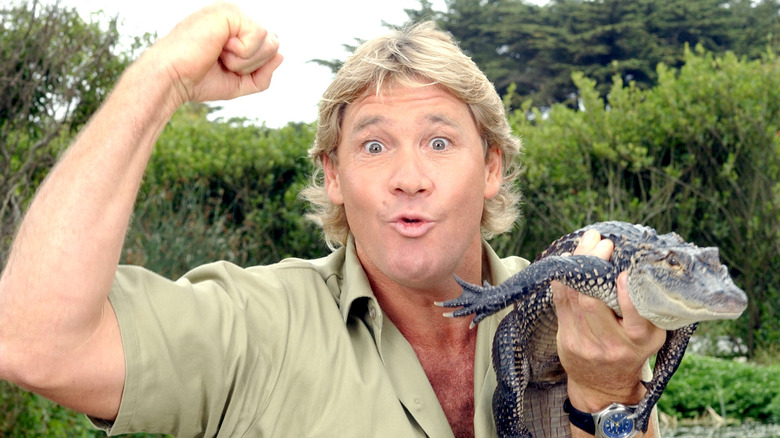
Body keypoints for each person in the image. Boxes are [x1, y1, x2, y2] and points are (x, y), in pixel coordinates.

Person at [0, 3, 666, 437]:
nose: (409, 176)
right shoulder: (252, 326)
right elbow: (32, 343)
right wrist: (161, 76)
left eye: (439, 141)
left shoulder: (572, 310)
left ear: (490, 167)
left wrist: (603, 390)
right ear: (333, 175)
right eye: (374, 145)